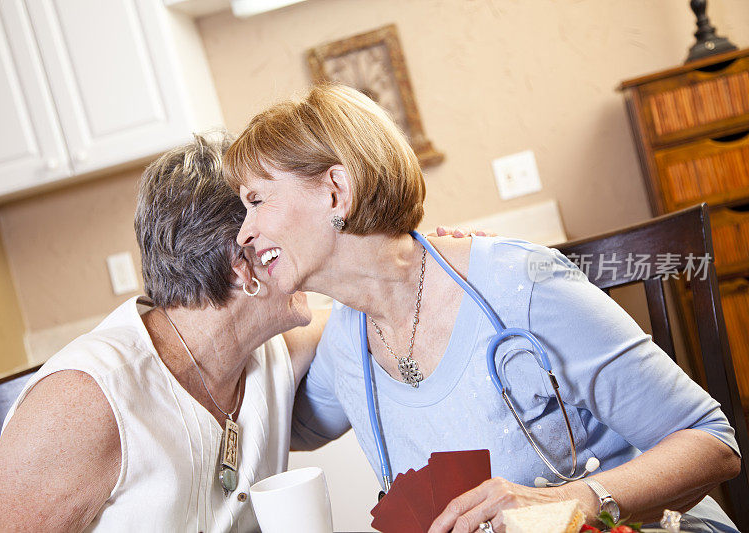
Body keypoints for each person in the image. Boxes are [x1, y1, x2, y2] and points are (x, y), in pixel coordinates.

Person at [225, 84, 743, 533]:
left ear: (336, 191)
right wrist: (270, 317)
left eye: (256, 200)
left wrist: (571, 500)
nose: (245, 232)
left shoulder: (519, 285)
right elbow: (271, 431)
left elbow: (712, 444)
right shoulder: (345, 338)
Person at [0, 133, 325, 532]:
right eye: (282, 230)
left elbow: (368, 306)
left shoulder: (271, 352)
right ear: (241, 264)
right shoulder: (86, 401)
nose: (304, 248)